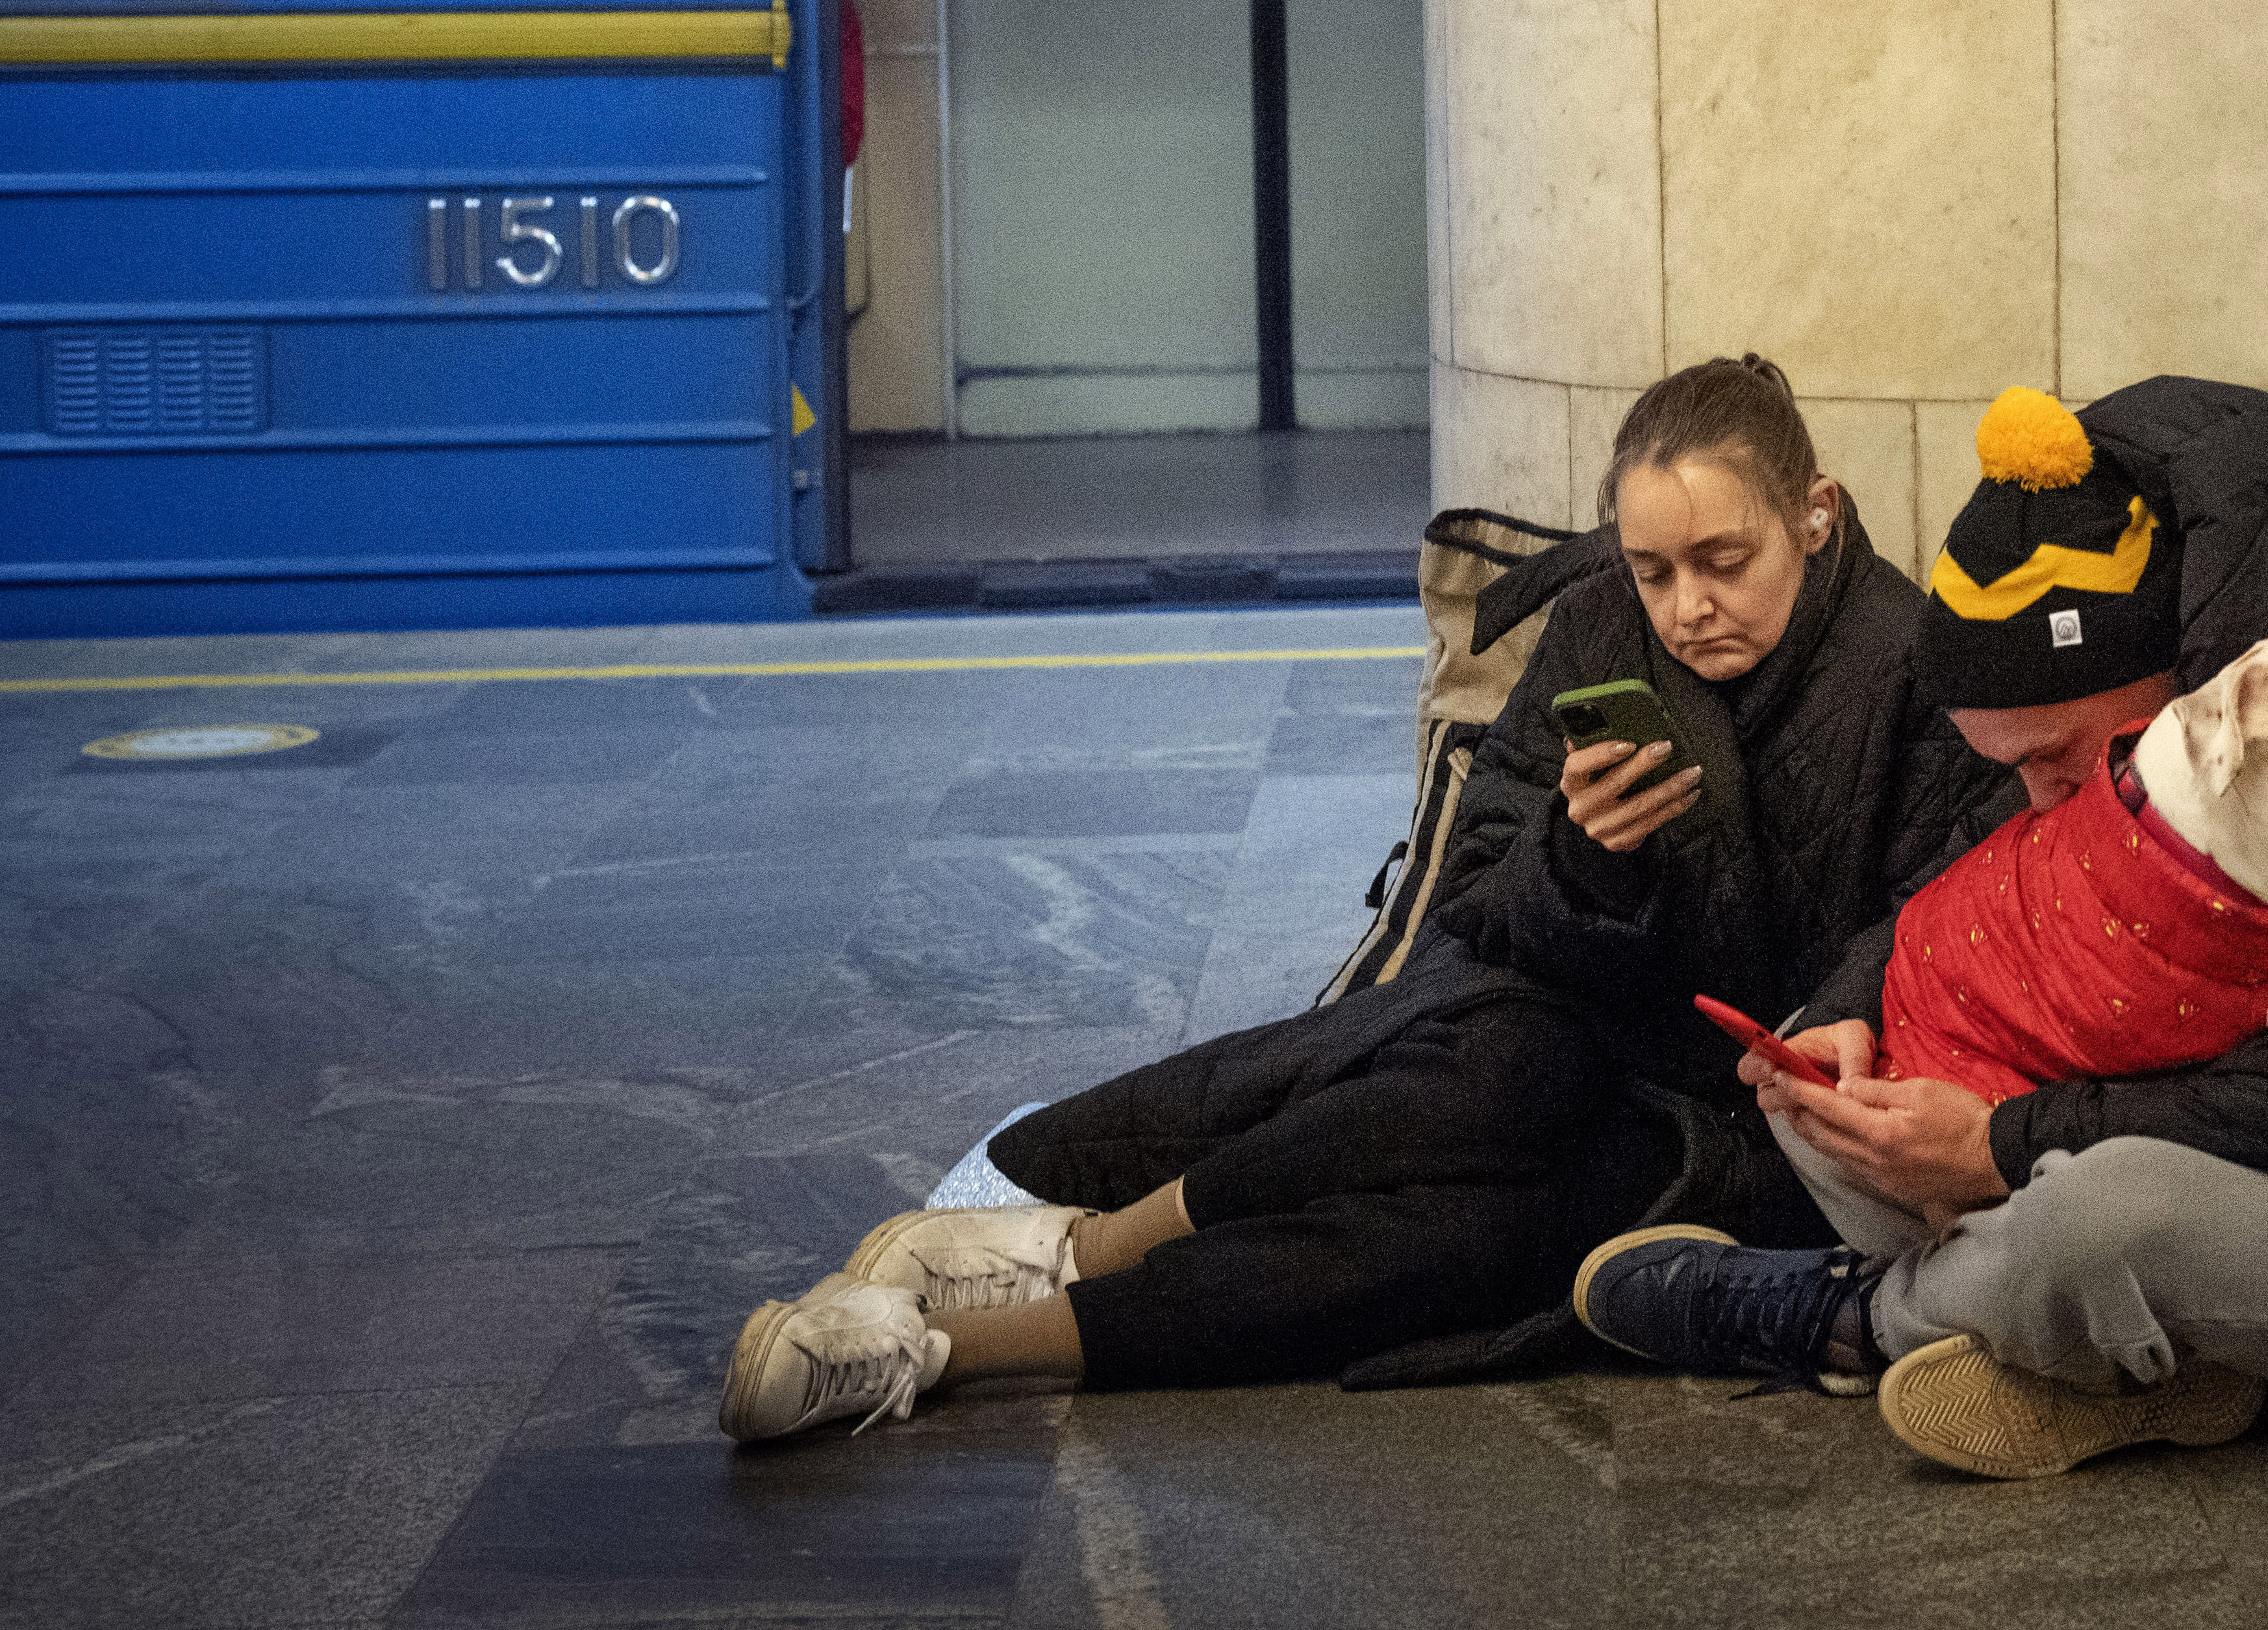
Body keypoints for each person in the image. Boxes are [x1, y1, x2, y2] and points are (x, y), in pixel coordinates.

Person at [716, 357, 2008, 1439]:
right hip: (1557, 1036)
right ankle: (1094, 1243)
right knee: (1504, 1065)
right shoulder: (1606, 626)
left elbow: (1938, 924)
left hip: (1750, 1119)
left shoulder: (1912, 666)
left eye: (1725, 559)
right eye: (1655, 568)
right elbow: (1479, 886)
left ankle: (945, 1345)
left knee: (1460, 1246)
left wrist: (1820, 1023)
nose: (1688, 605)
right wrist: (1586, 858)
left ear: (1818, 513)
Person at [1568, 380, 2268, 1479]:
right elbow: (1981, 868)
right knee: (1827, 1071)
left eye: (2054, 755)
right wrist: (1855, 1008)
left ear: (2184, 698)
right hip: (2243, 1145)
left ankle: (1860, 1317)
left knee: (2104, 1216)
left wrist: (2001, 1142)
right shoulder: (2140, 689)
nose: (2044, 797)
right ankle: (2124, 1359)